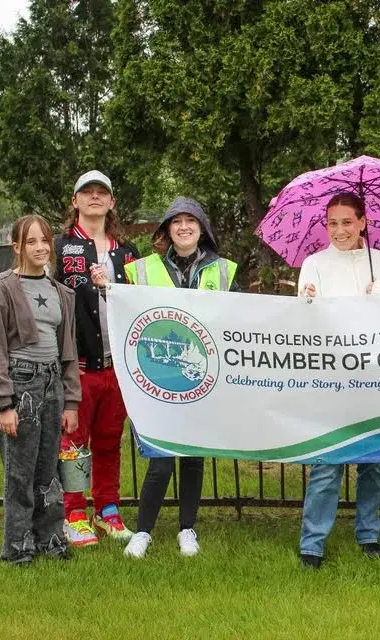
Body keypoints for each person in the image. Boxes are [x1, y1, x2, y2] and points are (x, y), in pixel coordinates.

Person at [120, 197, 239, 559]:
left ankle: (188, 528)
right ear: (166, 230)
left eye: (191, 221)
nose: (184, 227)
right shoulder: (142, 270)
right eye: (177, 221)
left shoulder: (224, 271)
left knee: (193, 456)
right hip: (158, 375)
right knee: (160, 456)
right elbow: (123, 311)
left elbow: (237, 320)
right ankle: (143, 531)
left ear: (202, 229)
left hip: (203, 376)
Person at [297, 192, 380, 569]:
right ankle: (313, 541)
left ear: (362, 222)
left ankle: (368, 532)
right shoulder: (315, 264)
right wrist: (306, 298)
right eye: (332, 223)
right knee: (329, 461)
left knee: (372, 460)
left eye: (346, 222)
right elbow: (303, 315)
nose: (339, 230)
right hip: (332, 376)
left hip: (373, 375)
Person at [0, 215, 81, 564]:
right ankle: (18, 544)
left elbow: (68, 350)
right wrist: (4, 403)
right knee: (19, 471)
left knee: (48, 468)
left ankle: (50, 538)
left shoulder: (59, 292)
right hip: (21, 384)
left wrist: (71, 400)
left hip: (53, 383)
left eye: (44, 241)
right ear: (16, 247)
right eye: (31, 242)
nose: (40, 248)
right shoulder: (2, 289)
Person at [56, 170, 140, 546]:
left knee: (109, 439)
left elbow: (139, 302)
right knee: (73, 441)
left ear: (111, 202)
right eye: (86, 192)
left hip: (116, 365)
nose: (94, 197)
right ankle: (73, 511)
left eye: (100, 192)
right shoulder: (60, 247)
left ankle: (107, 508)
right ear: (75, 201)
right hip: (79, 366)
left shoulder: (126, 252)